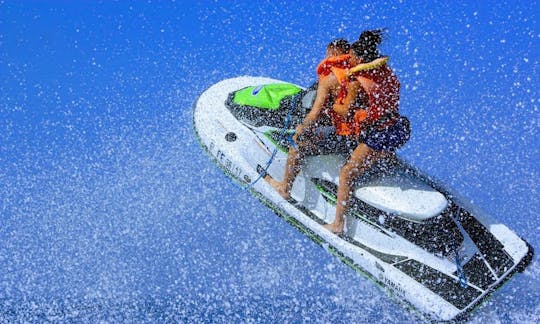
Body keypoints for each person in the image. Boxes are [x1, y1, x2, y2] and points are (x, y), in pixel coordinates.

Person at [266, 30, 410, 235]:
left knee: (340, 169)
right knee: (365, 144)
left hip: (378, 135)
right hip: (399, 129)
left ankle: (328, 218)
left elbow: (326, 113)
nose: (348, 60)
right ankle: (383, 159)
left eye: (351, 56)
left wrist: (327, 110)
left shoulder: (347, 80)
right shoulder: (384, 72)